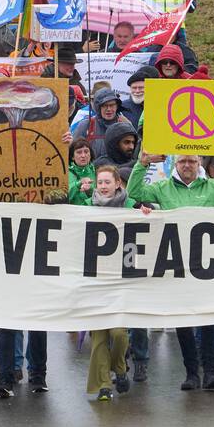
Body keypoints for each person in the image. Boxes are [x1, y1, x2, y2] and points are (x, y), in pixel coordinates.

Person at [126, 151, 214, 390]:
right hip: (177, 265)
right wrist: (141, 164)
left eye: (192, 161)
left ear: (199, 164)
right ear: (176, 164)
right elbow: (135, 192)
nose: (187, 165)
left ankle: (210, 372)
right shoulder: (163, 188)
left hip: (207, 265)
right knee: (184, 322)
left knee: (208, 320)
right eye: (183, 161)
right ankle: (192, 373)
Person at [83, 165, 131, 400]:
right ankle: (103, 385)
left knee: (119, 333)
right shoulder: (86, 208)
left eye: (107, 182)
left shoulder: (129, 207)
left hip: (121, 281)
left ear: (117, 184)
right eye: (99, 182)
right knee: (99, 336)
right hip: (95, 281)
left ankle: (119, 368)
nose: (103, 186)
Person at [68, 138, 96, 204]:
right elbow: (62, 197)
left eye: (86, 152)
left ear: (90, 154)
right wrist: (78, 184)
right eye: (79, 152)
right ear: (72, 157)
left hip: (92, 213)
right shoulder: (66, 173)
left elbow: (103, 196)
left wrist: (90, 191)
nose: (83, 156)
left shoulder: (97, 172)